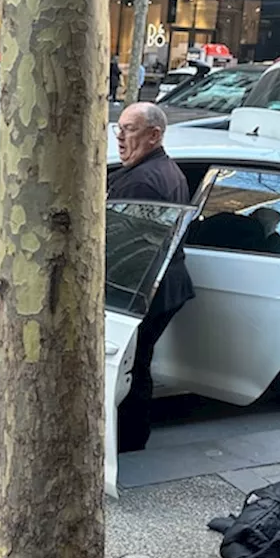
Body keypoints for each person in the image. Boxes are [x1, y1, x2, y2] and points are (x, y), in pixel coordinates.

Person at [107, 102, 195, 452]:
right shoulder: (165, 171)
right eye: (119, 129)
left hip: (143, 290)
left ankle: (128, 439)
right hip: (165, 287)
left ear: (154, 135)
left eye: (129, 129)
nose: (120, 137)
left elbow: (122, 249)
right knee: (138, 361)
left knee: (131, 365)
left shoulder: (142, 182)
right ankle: (131, 436)